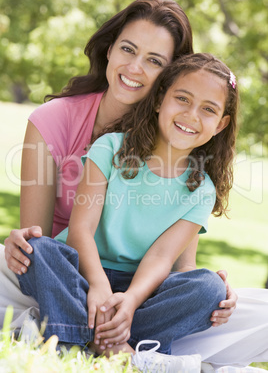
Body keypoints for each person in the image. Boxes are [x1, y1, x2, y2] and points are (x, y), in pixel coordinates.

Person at [1, 0, 235, 329]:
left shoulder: (183, 145)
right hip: (67, 276)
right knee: (28, 254)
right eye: (128, 49)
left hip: (138, 291)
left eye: (154, 60)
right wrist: (25, 246)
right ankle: (96, 334)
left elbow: (177, 261)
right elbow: (37, 238)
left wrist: (209, 288)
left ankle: (107, 335)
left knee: (226, 299)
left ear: (173, 76)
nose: (135, 68)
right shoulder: (57, 123)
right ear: (109, 49)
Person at [15, 53, 238, 372]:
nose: (191, 115)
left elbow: (162, 258)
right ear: (160, 99)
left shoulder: (201, 189)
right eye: (182, 99)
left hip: (143, 289)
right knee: (40, 250)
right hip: (81, 271)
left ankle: (90, 337)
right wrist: (99, 286)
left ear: (221, 124)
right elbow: (80, 230)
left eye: (208, 109)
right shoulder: (110, 148)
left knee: (209, 288)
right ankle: (104, 346)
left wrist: (130, 301)